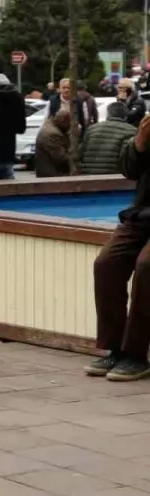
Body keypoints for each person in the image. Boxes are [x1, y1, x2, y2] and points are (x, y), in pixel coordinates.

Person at [90, 112, 150, 381]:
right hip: (143, 214)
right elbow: (129, 170)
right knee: (107, 264)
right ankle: (114, 348)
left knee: (147, 266)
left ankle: (136, 354)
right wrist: (140, 141)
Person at [81, 102, 137, 175]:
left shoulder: (91, 129)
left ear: (108, 114)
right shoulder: (132, 131)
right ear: (126, 116)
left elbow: (82, 151)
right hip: (115, 177)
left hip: (88, 175)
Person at [35, 108, 74, 178]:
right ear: (63, 121)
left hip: (50, 175)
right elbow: (62, 158)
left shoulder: (51, 127)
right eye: (70, 123)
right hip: (53, 176)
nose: (70, 125)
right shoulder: (53, 134)